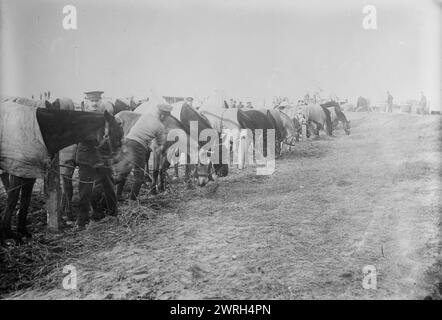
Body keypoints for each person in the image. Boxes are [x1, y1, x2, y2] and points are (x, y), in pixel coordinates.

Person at [75, 92, 116, 228]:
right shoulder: (81, 117)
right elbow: (79, 136)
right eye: (91, 100)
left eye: (97, 100)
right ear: (86, 101)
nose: (94, 104)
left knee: (108, 184)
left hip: (103, 155)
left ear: (101, 100)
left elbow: (114, 131)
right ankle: (82, 220)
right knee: (84, 189)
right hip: (86, 156)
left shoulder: (106, 115)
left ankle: (113, 214)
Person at [115, 104, 171, 200]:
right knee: (139, 177)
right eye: (166, 117)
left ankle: (118, 195)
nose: (166, 119)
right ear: (163, 115)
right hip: (138, 146)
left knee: (124, 171)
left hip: (127, 141)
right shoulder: (160, 126)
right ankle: (133, 201)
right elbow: (159, 146)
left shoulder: (146, 116)